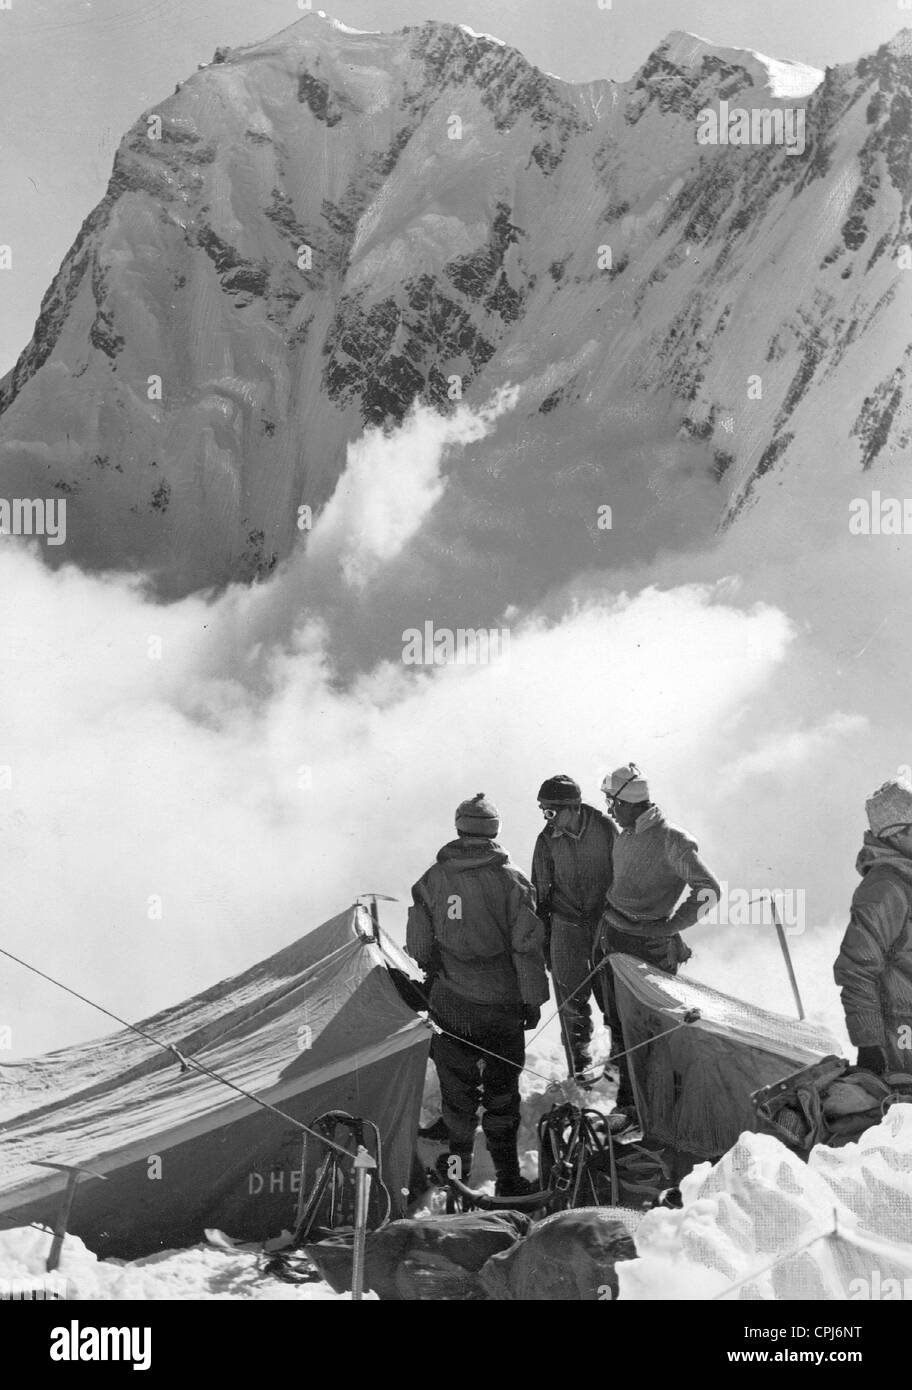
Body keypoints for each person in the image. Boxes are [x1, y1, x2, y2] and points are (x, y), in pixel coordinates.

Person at [406, 793, 548, 1196]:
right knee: (502, 1098)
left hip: (452, 1004)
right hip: (502, 1006)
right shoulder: (513, 879)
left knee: (457, 1103)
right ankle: (508, 1180)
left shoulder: (432, 879)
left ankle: (456, 1178)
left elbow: (418, 944)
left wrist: (437, 972)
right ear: (495, 831)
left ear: (459, 828)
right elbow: (526, 945)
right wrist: (532, 998)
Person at [597, 764, 721, 1113]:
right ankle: (631, 1103)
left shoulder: (673, 841)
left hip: (646, 949)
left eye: (613, 802)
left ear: (629, 801)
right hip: (614, 938)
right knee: (621, 1025)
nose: (610, 810)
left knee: (648, 1029)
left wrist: (668, 928)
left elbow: (709, 891)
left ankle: (650, 1108)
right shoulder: (627, 834)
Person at [531, 774, 616, 1082]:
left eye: (551, 810)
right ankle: (579, 1067)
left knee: (613, 995)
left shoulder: (605, 829)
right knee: (571, 1001)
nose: (546, 817)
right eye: (543, 810)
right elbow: (539, 894)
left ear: (573, 807)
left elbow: (623, 874)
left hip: (603, 923)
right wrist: (546, 945)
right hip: (565, 924)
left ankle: (619, 1065)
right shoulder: (546, 840)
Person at [834, 778, 912, 1077]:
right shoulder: (885, 888)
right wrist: (869, 1045)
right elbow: (856, 969)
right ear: (897, 832)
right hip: (902, 1041)